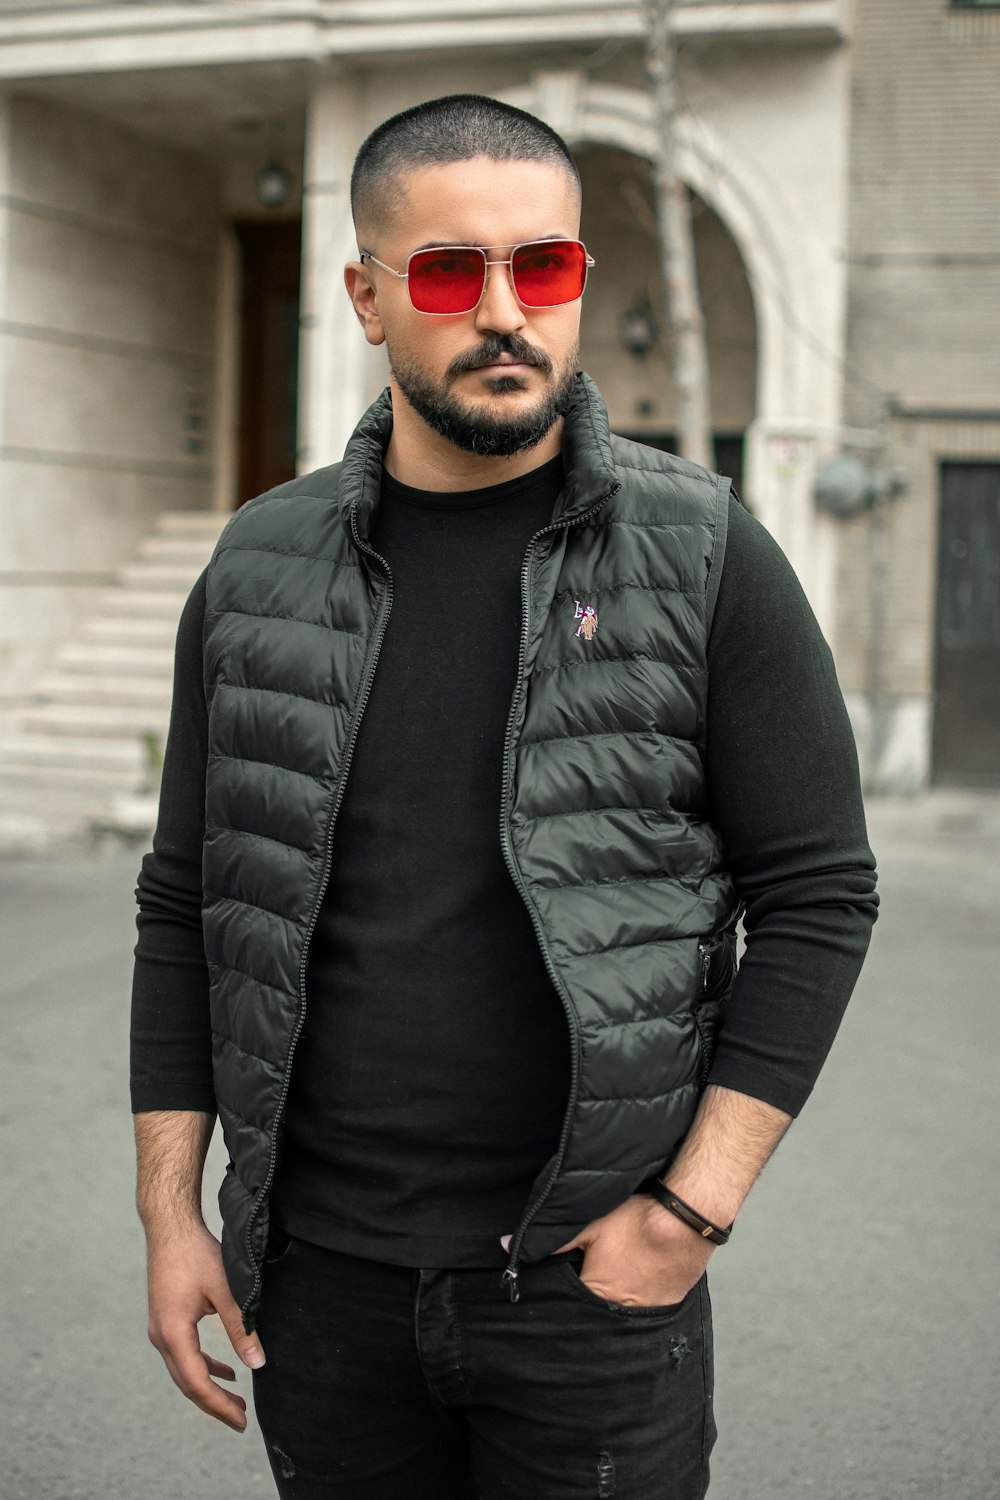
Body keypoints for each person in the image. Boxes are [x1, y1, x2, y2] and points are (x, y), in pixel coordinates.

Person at [130, 93, 878, 1499]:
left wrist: (687, 1214)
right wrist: (174, 1220)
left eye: (541, 267)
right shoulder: (254, 568)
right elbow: (187, 899)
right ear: (364, 295)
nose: (503, 311)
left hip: (589, 1291)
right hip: (322, 1289)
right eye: (446, 271)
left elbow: (821, 895)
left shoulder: (705, 554)